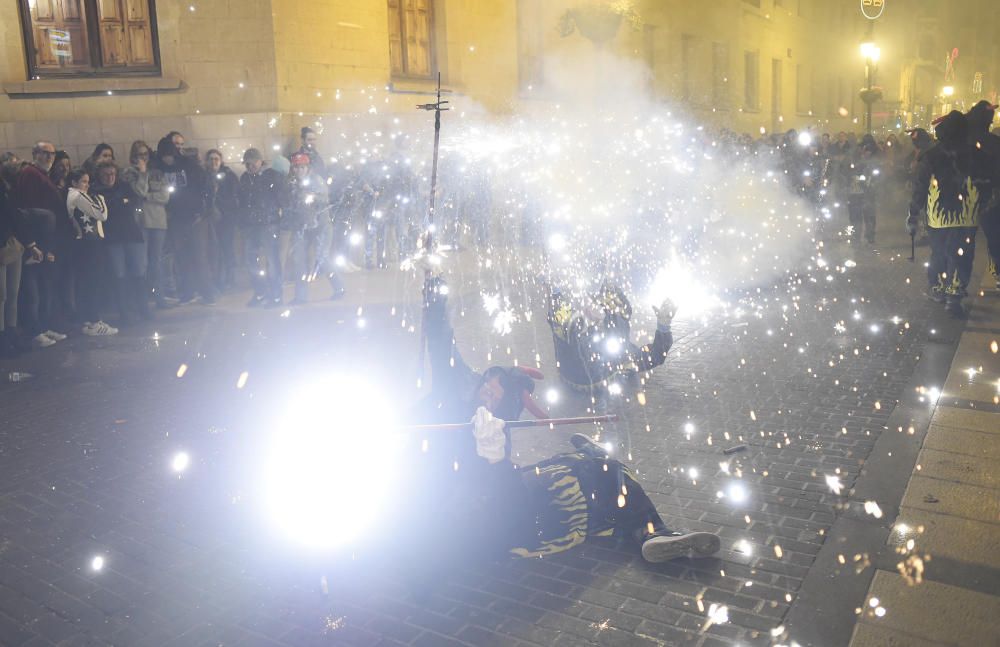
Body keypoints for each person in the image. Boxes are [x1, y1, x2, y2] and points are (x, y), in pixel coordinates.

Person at [410, 275, 720, 566]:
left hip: (485, 503)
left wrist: (663, 325)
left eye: (499, 391)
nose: (491, 392)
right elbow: (443, 350)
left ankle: (646, 528)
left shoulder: (493, 428)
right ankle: (644, 524)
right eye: (492, 383)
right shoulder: (460, 393)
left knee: (589, 473)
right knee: (601, 474)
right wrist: (435, 296)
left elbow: (653, 355)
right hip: (456, 503)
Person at [909, 111, 980, 317]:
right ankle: (955, 293)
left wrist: (913, 211)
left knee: (940, 252)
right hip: (967, 213)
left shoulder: (932, 155)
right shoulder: (974, 152)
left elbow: (921, 186)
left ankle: (939, 287)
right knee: (962, 253)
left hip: (938, 214)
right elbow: (987, 181)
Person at [546, 282, 675, 394]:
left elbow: (655, 356)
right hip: (573, 374)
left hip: (589, 377)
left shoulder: (622, 351)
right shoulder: (586, 330)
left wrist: (664, 326)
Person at [153, 137, 216, 305]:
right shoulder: (159, 168)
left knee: (199, 256)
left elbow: (206, 187)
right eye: (164, 156)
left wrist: (203, 211)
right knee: (182, 257)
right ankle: (188, 292)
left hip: (195, 217)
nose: (167, 159)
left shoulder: (190, 165)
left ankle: (208, 293)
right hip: (176, 219)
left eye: (169, 155)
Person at [93, 161, 149, 323]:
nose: (110, 178)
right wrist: (122, 202)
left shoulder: (123, 186)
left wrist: (119, 203)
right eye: (106, 174)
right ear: (100, 175)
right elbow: (105, 210)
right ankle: (125, 312)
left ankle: (143, 309)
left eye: (112, 174)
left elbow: (136, 202)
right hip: (112, 238)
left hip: (131, 234)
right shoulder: (96, 190)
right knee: (119, 275)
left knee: (139, 272)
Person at [285, 153, 344, 304]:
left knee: (322, 259)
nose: (299, 171)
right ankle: (300, 296)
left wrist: (311, 197)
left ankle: (339, 287)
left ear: (307, 168)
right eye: (296, 168)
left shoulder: (316, 181)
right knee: (299, 261)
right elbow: (290, 204)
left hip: (321, 226)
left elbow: (324, 200)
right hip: (303, 226)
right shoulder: (292, 183)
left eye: (302, 167)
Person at [66, 169, 117, 336]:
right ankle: (93, 321)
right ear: (74, 182)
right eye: (83, 182)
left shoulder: (74, 195)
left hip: (87, 244)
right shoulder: (78, 196)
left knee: (88, 283)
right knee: (92, 283)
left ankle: (88, 320)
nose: (87, 186)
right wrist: (100, 199)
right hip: (88, 245)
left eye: (88, 182)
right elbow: (101, 215)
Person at [122, 141, 171, 309]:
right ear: (132, 156)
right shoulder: (128, 173)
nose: (142, 158)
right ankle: (142, 300)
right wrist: (142, 173)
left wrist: (146, 197)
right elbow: (139, 191)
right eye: (138, 155)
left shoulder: (158, 173)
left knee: (156, 262)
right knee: (141, 263)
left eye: (144, 155)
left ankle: (159, 296)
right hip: (140, 222)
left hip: (158, 221)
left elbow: (165, 197)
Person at [1, 174, 44, 357]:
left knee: (12, 293)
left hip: (11, 244)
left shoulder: (4, 186)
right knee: (2, 295)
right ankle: (3, 338)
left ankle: (10, 333)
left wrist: (29, 243)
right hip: (6, 243)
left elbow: (15, 214)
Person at [237, 148, 285, 307]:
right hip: (252, 226)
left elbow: (281, 198)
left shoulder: (271, 176)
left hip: (269, 224)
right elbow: (242, 201)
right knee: (251, 261)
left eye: (252, 163)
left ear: (260, 161)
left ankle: (276, 295)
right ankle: (260, 292)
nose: (250, 167)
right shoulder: (245, 178)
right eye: (247, 164)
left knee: (272, 261)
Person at [966, 101, 1000, 289]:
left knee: (963, 239)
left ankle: (958, 282)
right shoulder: (994, 143)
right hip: (990, 197)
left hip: (969, 198)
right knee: (995, 237)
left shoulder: (964, 142)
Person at [204, 149, 240, 291]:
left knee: (227, 249)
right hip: (210, 220)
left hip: (226, 219)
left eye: (216, 159)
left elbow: (234, 196)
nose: (214, 162)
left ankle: (230, 280)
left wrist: (221, 206)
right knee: (214, 251)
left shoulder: (229, 176)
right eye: (211, 159)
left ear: (221, 160)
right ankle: (217, 281)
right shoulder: (204, 176)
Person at [847, 134, 880, 245]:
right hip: (856, 189)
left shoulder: (874, 160)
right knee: (857, 214)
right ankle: (857, 235)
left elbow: (878, 174)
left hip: (867, 190)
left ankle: (869, 235)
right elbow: (847, 171)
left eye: (868, 150)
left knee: (868, 213)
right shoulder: (854, 156)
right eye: (864, 149)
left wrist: (872, 182)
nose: (866, 151)